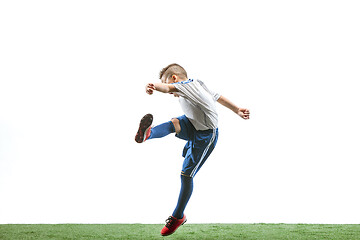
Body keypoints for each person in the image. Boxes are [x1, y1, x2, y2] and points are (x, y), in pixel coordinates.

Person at [135, 63, 250, 236]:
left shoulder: (185, 86)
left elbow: (166, 88)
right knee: (175, 123)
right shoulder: (198, 83)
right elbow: (217, 96)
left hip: (206, 135)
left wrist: (153, 86)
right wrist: (237, 109)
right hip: (193, 124)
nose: (173, 93)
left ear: (174, 78)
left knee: (186, 175)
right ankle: (147, 134)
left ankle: (178, 216)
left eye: (170, 84)